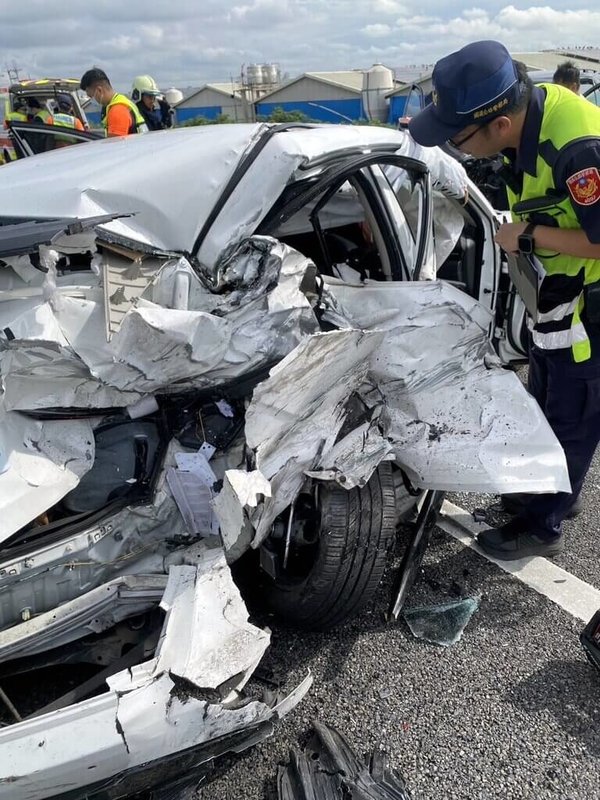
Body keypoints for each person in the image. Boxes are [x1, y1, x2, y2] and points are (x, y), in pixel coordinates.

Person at [409, 40, 600, 560]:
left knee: (573, 412)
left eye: (457, 137)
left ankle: (543, 526)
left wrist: (529, 237)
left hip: (590, 303)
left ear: (497, 124)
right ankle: (550, 489)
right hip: (558, 296)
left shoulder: (578, 149)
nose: (454, 147)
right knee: (545, 396)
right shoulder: (521, 132)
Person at [80, 68, 148, 137]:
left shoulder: (117, 110)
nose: (90, 100)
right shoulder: (122, 101)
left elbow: (114, 146)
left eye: (90, 96)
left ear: (99, 90)